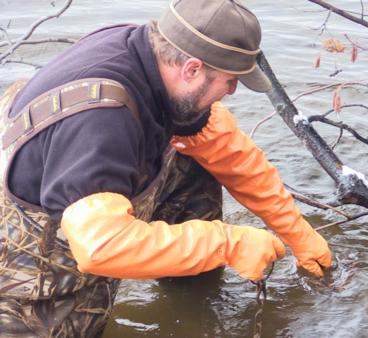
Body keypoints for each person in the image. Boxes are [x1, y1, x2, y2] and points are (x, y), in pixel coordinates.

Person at [0, 0, 332, 336]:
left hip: (77, 182)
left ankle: (191, 297)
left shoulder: (153, 60)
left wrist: (297, 233)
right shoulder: (103, 121)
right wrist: (225, 243)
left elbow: (225, 149)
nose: (232, 91)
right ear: (191, 69)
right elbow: (100, 247)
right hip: (29, 250)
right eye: (229, 81)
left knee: (192, 158)